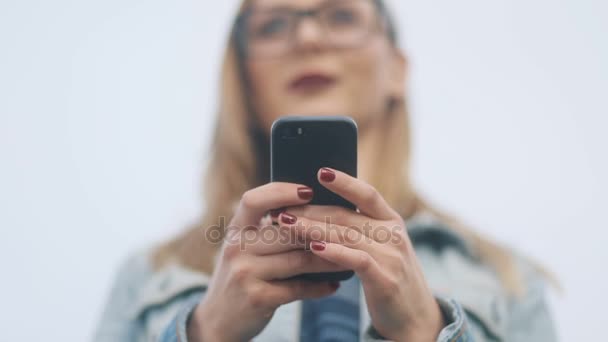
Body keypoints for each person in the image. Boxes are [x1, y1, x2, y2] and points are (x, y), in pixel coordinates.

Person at [94, 0, 557, 341]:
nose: (309, 39)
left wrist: (424, 329)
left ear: (396, 68)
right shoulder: (148, 274)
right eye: (273, 25)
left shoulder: (507, 277)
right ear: (244, 76)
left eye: (341, 16)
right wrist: (207, 331)